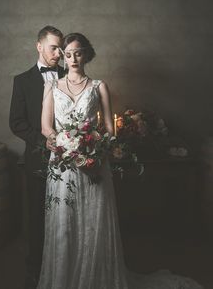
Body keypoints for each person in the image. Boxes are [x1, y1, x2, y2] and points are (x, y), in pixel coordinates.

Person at [37, 33, 203, 289]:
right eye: (68, 54)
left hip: (93, 161)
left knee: (92, 221)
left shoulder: (98, 86)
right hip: (63, 164)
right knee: (64, 222)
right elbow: (46, 127)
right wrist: (63, 144)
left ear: (87, 54)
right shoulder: (51, 87)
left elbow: (108, 129)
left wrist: (90, 144)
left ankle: (94, 279)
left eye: (78, 53)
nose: (72, 59)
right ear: (62, 55)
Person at [9, 25, 66, 289]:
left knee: (67, 215)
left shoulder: (71, 75)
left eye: (61, 47)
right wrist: (44, 142)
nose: (59, 52)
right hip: (37, 158)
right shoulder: (22, 81)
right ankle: (35, 268)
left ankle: (67, 265)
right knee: (37, 216)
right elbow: (17, 123)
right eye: (53, 47)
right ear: (38, 46)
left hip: (69, 158)